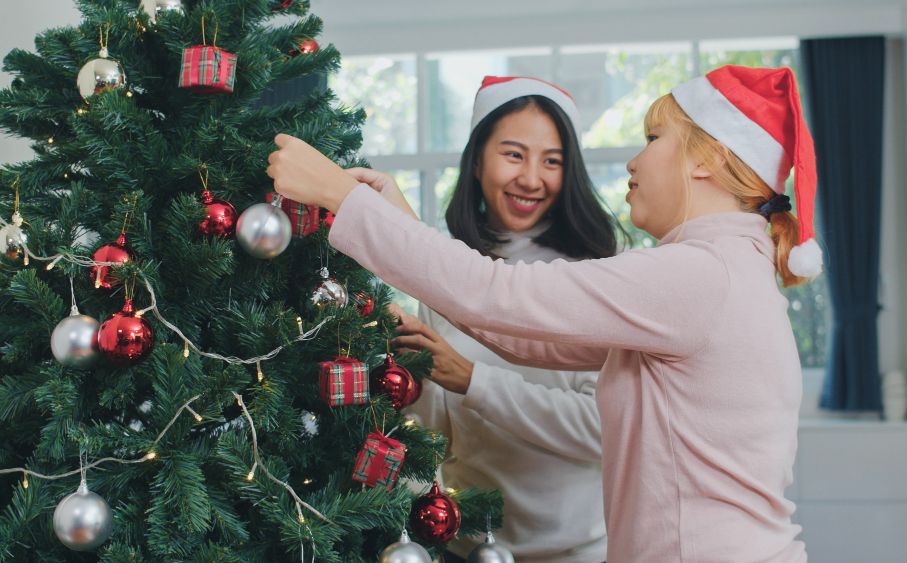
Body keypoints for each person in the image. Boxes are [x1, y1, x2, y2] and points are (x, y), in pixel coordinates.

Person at [267, 65, 822, 562]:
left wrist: (343, 195)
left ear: (709, 159)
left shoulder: (698, 275)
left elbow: (496, 295)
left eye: (654, 139)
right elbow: (521, 331)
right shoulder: (719, 270)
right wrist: (400, 223)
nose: (634, 159)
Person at [351, 76, 619, 562]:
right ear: (477, 161)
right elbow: (440, 438)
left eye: (552, 161)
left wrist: (473, 379)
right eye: (513, 155)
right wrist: (415, 367)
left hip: (582, 550)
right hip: (468, 546)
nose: (532, 179)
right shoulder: (452, 270)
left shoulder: (602, 274)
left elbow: (604, 429)